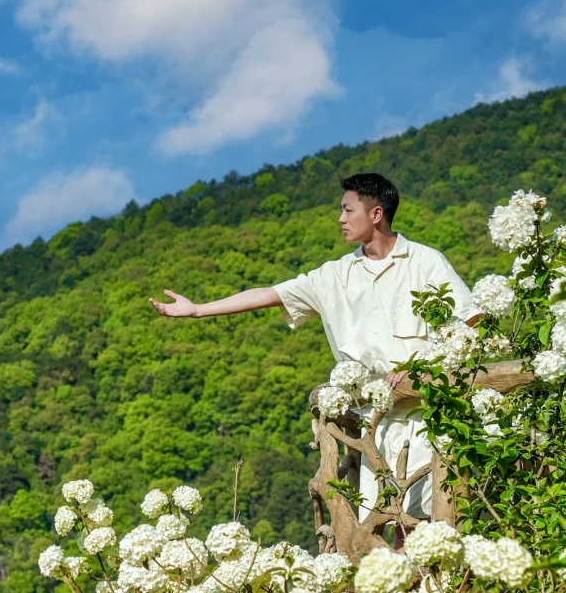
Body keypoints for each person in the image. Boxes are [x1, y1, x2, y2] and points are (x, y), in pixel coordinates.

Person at [150, 171, 479, 520]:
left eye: (348, 210)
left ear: (376, 213)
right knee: (387, 520)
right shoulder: (334, 275)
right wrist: (198, 310)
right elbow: (270, 294)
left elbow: (471, 321)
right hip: (373, 422)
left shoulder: (426, 261)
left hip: (427, 415)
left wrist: (420, 366)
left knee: (429, 520)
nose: (341, 219)